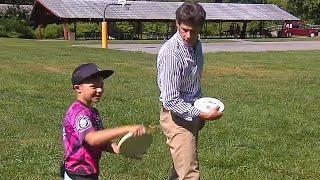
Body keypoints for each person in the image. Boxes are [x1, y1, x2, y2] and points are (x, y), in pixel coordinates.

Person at [156, 2, 223, 179]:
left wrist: (202, 107)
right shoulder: (171, 53)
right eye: (184, 29)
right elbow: (170, 100)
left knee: (180, 171)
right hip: (176, 118)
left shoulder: (197, 45)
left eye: (193, 31)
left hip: (192, 113)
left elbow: (193, 82)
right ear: (177, 23)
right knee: (189, 174)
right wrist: (201, 113)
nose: (188, 35)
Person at [61, 63, 146, 180]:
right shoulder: (79, 113)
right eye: (94, 86)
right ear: (77, 88)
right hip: (78, 174)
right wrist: (127, 129)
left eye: (101, 85)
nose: (100, 90)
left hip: (89, 172)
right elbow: (93, 139)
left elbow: (101, 141)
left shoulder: (92, 112)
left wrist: (118, 149)